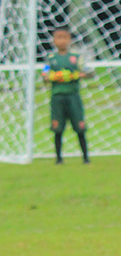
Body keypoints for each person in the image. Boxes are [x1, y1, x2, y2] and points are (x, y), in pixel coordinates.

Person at [42, 26, 92, 164]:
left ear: (69, 40)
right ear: (53, 40)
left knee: (80, 127)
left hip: (73, 97)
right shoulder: (51, 59)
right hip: (57, 97)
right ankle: (58, 159)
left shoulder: (76, 58)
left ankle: (86, 158)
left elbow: (90, 72)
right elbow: (44, 74)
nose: (62, 41)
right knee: (58, 129)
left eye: (65, 37)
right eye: (58, 37)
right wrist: (52, 76)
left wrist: (78, 74)